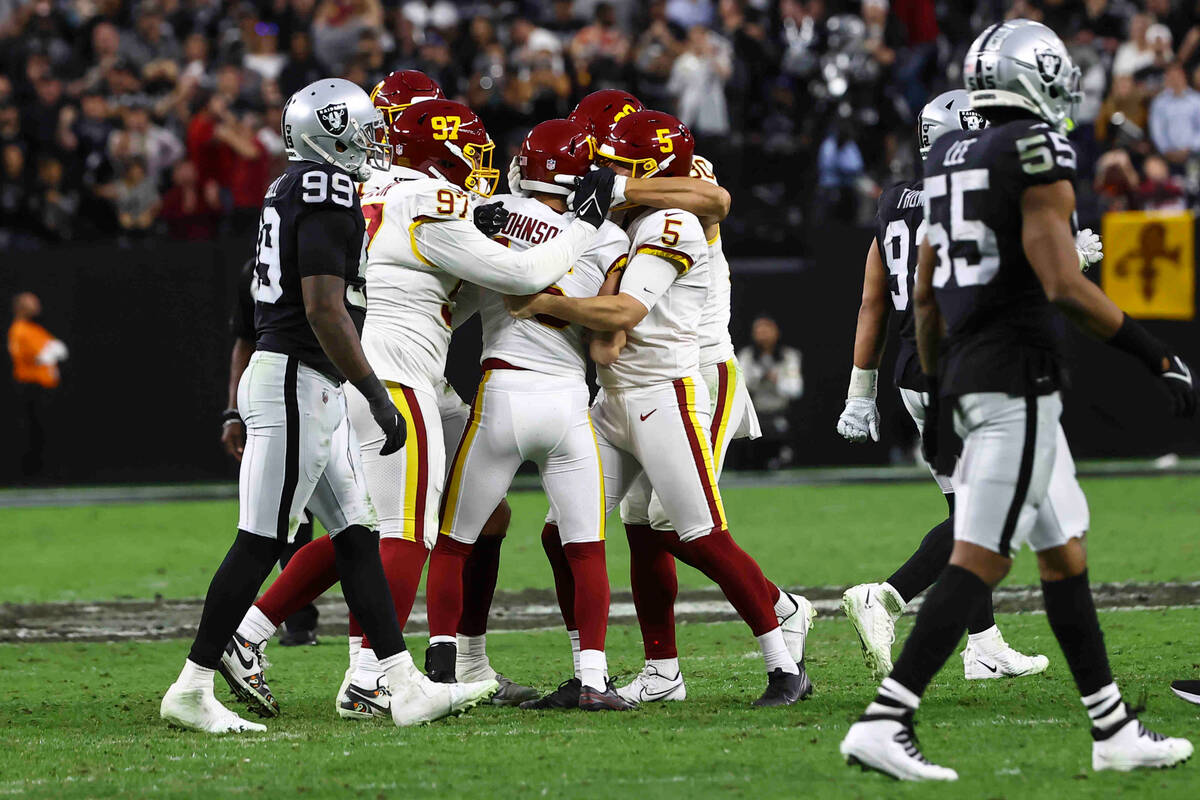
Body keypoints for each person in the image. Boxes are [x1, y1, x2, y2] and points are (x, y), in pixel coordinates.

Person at [840, 21, 1195, 780]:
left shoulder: (941, 163)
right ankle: (886, 718)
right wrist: (1155, 353)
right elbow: (1065, 287)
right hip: (1016, 379)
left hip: (965, 371)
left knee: (1063, 554)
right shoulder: (1037, 149)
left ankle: (1111, 730)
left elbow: (926, 295)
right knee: (977, 558)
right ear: (1031, 75)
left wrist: (935, 384)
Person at [160, 78, 497, 734]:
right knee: (261, 541)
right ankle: (194, 683)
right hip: (296, 377)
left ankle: (400, 685)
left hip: (300, 378)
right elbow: (323, 307)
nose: (374, 139)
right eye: (363, 128)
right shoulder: (326, 188)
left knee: (358, 538)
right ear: (330, 132)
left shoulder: (289, 186)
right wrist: (375, 392)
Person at [510, 110, 811, 707]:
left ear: (644, 167)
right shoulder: (628, 220)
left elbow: (622, 315)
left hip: (666, 395)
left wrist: (542, 302)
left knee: (699, 534)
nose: (601, 170)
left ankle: (784, 664)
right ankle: (603, 673)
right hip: (616, 397)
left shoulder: (674, 219)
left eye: (615, 162)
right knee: (563, 531)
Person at [836, 90, 1105, 683]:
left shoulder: (893, 200)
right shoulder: (974, 194)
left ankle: (983, 644)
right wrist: (1070, 263)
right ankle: (887, 596)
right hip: (967, 369)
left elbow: (873, 300)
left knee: (965, 502)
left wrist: (861, 390)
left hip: (914, 372)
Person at [424, 119, 635, 710]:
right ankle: (592, 677)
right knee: (586, 546)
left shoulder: (487, 210)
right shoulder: (607, 239)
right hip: (569, 400)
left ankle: (444, 670)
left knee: (455, 541)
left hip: (504, 393)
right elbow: (608, 325)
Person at [222, 258, 320, 647]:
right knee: (273, 527)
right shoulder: (258, 271)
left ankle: (371, 651)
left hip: (327, 390)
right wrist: (231, 414)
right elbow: (244, 340)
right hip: (296, 391)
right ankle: (258, 630)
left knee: (358, 527)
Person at [8, 291, 67, 479]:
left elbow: (57, 348)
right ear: (21, 307)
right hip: (30, 388)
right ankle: (30, 476)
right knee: (31, 433)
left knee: (47, 434)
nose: (37, 306)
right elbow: (28, 356)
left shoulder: (35, 329)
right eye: (32, 303)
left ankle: (48, 473)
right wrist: (46, 355)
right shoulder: (19, 329)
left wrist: (51, 353)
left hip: (45, 387)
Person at [737, 315, 802, 470]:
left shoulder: (789, 356)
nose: (763, 335)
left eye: (767, 330)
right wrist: (758, 376)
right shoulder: (746, 356)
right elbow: (739, 386)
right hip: (755, 414)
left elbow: (795, 389)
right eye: (759, 331)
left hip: (779, 414)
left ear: (776, 332)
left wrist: (777, 379)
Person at [1148, 63, 1200, 172]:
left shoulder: (1196, 101)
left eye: (1177, 75)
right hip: (1167, 156)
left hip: (1195, 154)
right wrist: (1167, 150)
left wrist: (1189, 149)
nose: (1174, 79)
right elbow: (1157, 129)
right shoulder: (1159, 102)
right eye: (1171, 76)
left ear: (1184, 76)